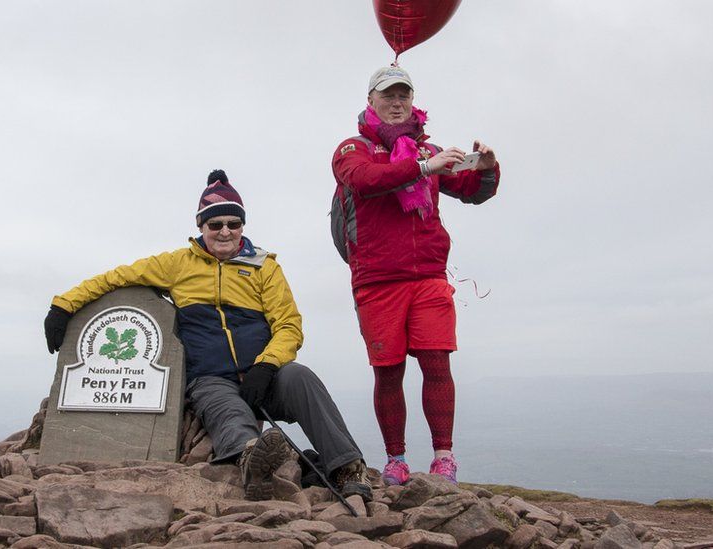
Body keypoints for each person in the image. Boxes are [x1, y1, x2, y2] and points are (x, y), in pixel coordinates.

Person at [44, 169, 372, 501]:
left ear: (243, 226)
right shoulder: (177, 263)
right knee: (225, 410)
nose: (225, 231)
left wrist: (267, 366)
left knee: (301, 377)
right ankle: (253, 459)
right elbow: (117, 277)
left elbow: (288, 325)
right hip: (211, 378)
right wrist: (64, 305)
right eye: (215, 225)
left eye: (234, 223)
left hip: (265, 374)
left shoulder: (265, 266)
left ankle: (347, 467)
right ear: (201, 226)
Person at [331, 65, 500, 486]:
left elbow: (473, 192)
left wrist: (488, 168)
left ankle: (444, 457)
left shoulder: (430, 150)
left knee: (437, 362)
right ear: (371, 101)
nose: (396, 102)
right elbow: (365, 181)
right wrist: (425, 168)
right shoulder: (353, 148)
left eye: (404, 95)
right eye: (388, 95)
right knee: (388, 371)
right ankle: (396, 459)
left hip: (427, 274)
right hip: (376, 279)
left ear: (413, 101)